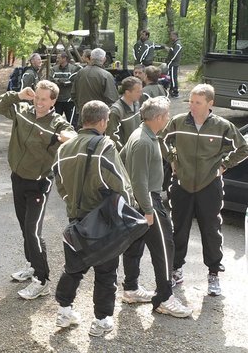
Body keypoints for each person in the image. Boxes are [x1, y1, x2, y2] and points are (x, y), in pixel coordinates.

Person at [52, 100, 133, 337]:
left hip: (75, 219)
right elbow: (121, 184)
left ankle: (64, 311)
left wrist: (72, 201)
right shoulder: (105, 146)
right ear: (102, 121)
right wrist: (129, 210)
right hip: (102, 220)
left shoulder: (63, 149)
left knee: (74, 268)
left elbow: (59, 184)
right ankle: (101, 320)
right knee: (106, 272)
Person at [160, 84, 248, 296]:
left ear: (210, 104)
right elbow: (161, 139)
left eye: (197, 102)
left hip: (210, 186)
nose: (192, 105)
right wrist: (172, 159)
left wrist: (224, 165)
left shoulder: (223, 126)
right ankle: (176, 270)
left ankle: (213, 274)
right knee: (179, 229)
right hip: (181, 185)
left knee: (211, 231)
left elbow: (243, 147)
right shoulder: (178, 122)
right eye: (191, 101)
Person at [0, 80, 75, 300]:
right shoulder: (22, 111)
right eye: (37, 97)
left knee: (33, 231)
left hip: (39, 183)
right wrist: (18, 95)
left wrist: (57, 137)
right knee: (24, 226)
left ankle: (42, 279)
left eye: (44, 99)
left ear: (53, 101)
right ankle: (32, 265)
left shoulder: (57, 121)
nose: (39, 102)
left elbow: (73, 137)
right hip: (18, 178)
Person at [120, 97, 192, 317]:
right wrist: (149, 210)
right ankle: (164, 298)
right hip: (147, 200)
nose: (168, 118)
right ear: (158, 117)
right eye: (167, 115)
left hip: (139, 201)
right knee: (164, 246)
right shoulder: (143, 141)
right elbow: (139, 180)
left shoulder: (141, 134)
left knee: (135, 245)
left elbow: (121, 159)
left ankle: (131, 288)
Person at [70, 48, 119, 126]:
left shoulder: (80, 73)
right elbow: (112, 99)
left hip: (83, 117)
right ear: (104, 59)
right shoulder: (106, 75)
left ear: (91, 58)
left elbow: (73, 94)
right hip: (100, 120)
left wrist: (80, 109)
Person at [105, 76, 143, 151]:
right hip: (124, 155)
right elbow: (111, 136)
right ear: (127, 92)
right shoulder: (116, 111)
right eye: (138, 91)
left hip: (136, 150)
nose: (141, 94)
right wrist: (124, 152)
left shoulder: (137, 104)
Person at [50, 51, 81, 126]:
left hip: (69, 100)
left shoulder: (73, 69)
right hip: (58, 100)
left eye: (59, 58)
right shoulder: (54, 69)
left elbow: (73, 81)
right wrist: (63, 81)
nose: (57, 59)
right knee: (55, 122)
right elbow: (51, 80)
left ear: (64, 58)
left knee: (72, 123)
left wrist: (59, 81)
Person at [166, 31, 182, 98]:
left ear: (175, 36)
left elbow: (175, 54)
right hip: (172, 63)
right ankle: (171, 90)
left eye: (171, 35)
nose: (170, 37)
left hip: (173, 64)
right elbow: (172, 52)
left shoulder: (177, 44)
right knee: (171, 77)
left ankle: (175, 92)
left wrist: (170, 62)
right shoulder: (174, 44)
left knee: (173, 78)